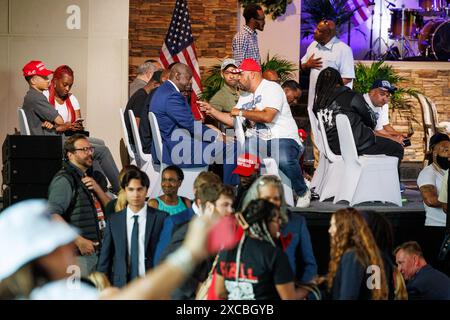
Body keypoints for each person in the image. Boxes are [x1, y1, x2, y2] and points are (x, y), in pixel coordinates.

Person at [0, 199, 222, 300]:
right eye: (62, 246)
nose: (71, 249)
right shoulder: (54, 295)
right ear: (44, 258)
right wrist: (190, 253)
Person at [199, 58, 311, 207]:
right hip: (260, 141)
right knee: (244, 153)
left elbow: (267, 116)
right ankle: (245, 196)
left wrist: (241, 112)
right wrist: (212, 111)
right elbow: (234, 120)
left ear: (252, 74)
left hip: (283, 137)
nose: (238, 78)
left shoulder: (271, 88)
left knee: (282, 157)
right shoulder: (245, 96)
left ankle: (302, 191)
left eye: (241, 74)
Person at [21, 60, 120, 192]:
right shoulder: (37, 98)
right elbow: (60, 120)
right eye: (44, 77)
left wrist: (53, 124)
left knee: (98, 145)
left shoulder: (32, 97)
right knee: (102, 151)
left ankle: (99, 187)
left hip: (50, 138)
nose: (47, 80)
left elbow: (54, 122)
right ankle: (121, 190)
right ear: (33, 80)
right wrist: (59, 123)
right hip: (51, 143)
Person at [149, 63, 238, 185]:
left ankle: (213, 186)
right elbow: (190, 125)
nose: (189, 82)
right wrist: (219, 136)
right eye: (188, 78)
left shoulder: (162, 90)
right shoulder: (172, 95)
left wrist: (209, 130)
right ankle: (229, 190)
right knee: (231, 147)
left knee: (218, 143)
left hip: (170, 144)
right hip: (176, 150)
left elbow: (186, 123)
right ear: (177, 75)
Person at [215, 199, 308, 300]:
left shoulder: (226, 251)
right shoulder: (274, 255)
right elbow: (289, 298)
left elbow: (220, 292)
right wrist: (310, 287)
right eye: (276, 219)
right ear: (264, 223)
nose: (280, 224)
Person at [48, 134, 111, 278]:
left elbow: (112, 209)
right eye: (84, 150)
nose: (89, 153)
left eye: (90, 149)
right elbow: (52, 214)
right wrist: (79, 241)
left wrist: (98, 189)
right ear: (70, 154)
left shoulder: (94, 178)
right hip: (79, 257)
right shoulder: (64, 179)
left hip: (99, 252)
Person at [313, 67, 404, 165]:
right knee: (397, 148)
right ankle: (389, 180)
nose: (385, 99)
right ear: (339, 80)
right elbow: (371, 121)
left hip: (333, 148)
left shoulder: (318, 105)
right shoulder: (350, 96)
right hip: (357, 145)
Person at [241, 175, 318, 284]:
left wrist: (304, 290)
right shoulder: (246, 223)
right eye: (267, 198)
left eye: (276, 198)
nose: (271, 203)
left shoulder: (296, 223)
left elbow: (310, 264)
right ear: (257, 199)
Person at [97, 169, 168, 287]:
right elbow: (105, 257)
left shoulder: (161, 218)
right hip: (122, 286)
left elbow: (168, 254)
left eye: (140, 189)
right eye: (131, 189)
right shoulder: (114, 220)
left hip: (153, 285)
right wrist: (101, 287)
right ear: (125, 190)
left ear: (146, 190)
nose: (135, 194)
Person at [300, 19, 355, 167]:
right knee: (316, 137)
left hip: (332, 105)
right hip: (314, 103)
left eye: (319, 30)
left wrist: (328, 90)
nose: (314, 32)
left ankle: (332, 172)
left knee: (330, 139)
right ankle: (318, 172)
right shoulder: (313, 45)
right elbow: (303, 65)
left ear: (329, 33)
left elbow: (347, 77)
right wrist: (307, 65)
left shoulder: (343, 50)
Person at [157, 180, 224, 299]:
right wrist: (195, 287)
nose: (230, 210)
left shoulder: (217, 228)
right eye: (224, 205)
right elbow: (165, 262)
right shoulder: (182, 225)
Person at [327, 208, 388, 300]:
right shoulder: (371, 254)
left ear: (344, 228)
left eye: (333, 225)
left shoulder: (352, 256)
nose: (330, 230)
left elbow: (348, 296)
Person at [418, 133, 450, 226]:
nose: (449, 153)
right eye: (445, 150)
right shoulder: (427, 173)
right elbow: (430, 200)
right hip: (439, 226)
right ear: (433, 152)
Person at [124, 73, 160, 153]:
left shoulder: (140, 93)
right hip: (136, 146)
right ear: (155, 84)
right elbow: (137, 125)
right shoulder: (142, 98)